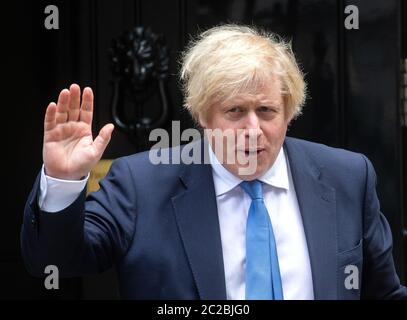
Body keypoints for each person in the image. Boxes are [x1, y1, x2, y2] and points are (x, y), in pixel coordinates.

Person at [21, 24, 407, 299]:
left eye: (268, 110)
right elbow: (56, 263)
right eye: (235, 111)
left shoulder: (347, 177)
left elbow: (383, 292)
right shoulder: (140, 184)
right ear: (203, 117)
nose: (253, 129)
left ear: (289, 113)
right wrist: (63, 179)